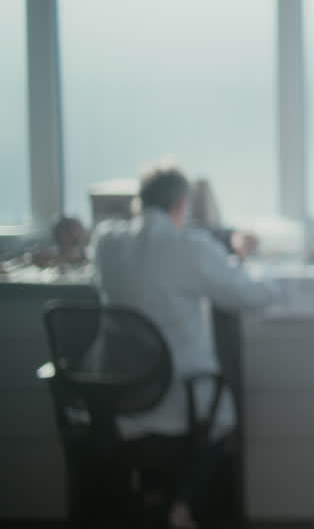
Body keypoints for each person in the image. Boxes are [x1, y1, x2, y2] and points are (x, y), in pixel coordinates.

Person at [90, 163, 278, 529]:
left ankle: (154, 497)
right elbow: (252, 295)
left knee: (156, 433)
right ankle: (180, 502)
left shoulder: (105, 242)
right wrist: (253, 261)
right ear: (181, 204)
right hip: (179, 395)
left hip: (118, 397)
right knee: (218, 417)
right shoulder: (188, 248)